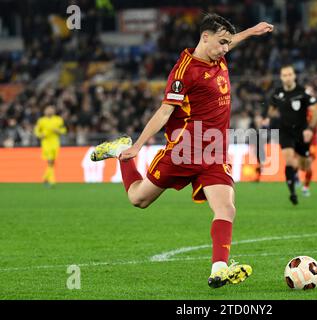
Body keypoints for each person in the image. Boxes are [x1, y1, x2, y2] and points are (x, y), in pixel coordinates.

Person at [90, 13, 274, 287]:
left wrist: (251, 31)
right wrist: (138, 146)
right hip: (184, 151)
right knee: (138, 199)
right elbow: (165, 112)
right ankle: (122, 151)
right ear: (205, 37)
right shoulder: (183, 72)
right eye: (222, 43)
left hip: (214, 153)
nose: (226, 48)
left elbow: (231, 41)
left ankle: (219, 269)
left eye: (227, 44)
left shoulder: (217, 55)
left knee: (226, 208)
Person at [266, 65, 317, 205]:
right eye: (285, 75)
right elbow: (271, 111)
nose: (288, 77)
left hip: (302, 132)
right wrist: (272, 116)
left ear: (294, 76)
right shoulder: (277, 93)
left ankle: (297, 171)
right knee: (289, 160)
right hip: (285, 131)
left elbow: (316, 112)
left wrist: (309, 128)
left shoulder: (302, 92)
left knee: (305, 166)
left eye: (290, 74)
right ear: (281, 77)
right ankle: (292, 193)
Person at [33, 105, 67, 187]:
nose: (49, 111)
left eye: (51, 110)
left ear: (54, 111)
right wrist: (40, 135)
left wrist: (58, 130)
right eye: (47, 110)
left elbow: (64, 130)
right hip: (46, 143)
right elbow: (36, 130)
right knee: (50, 161)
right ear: (45, 111)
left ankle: (45, 178)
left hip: (55, 143)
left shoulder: (58, 120)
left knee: (52, 161)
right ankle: (52, 180)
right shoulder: (41, 120)